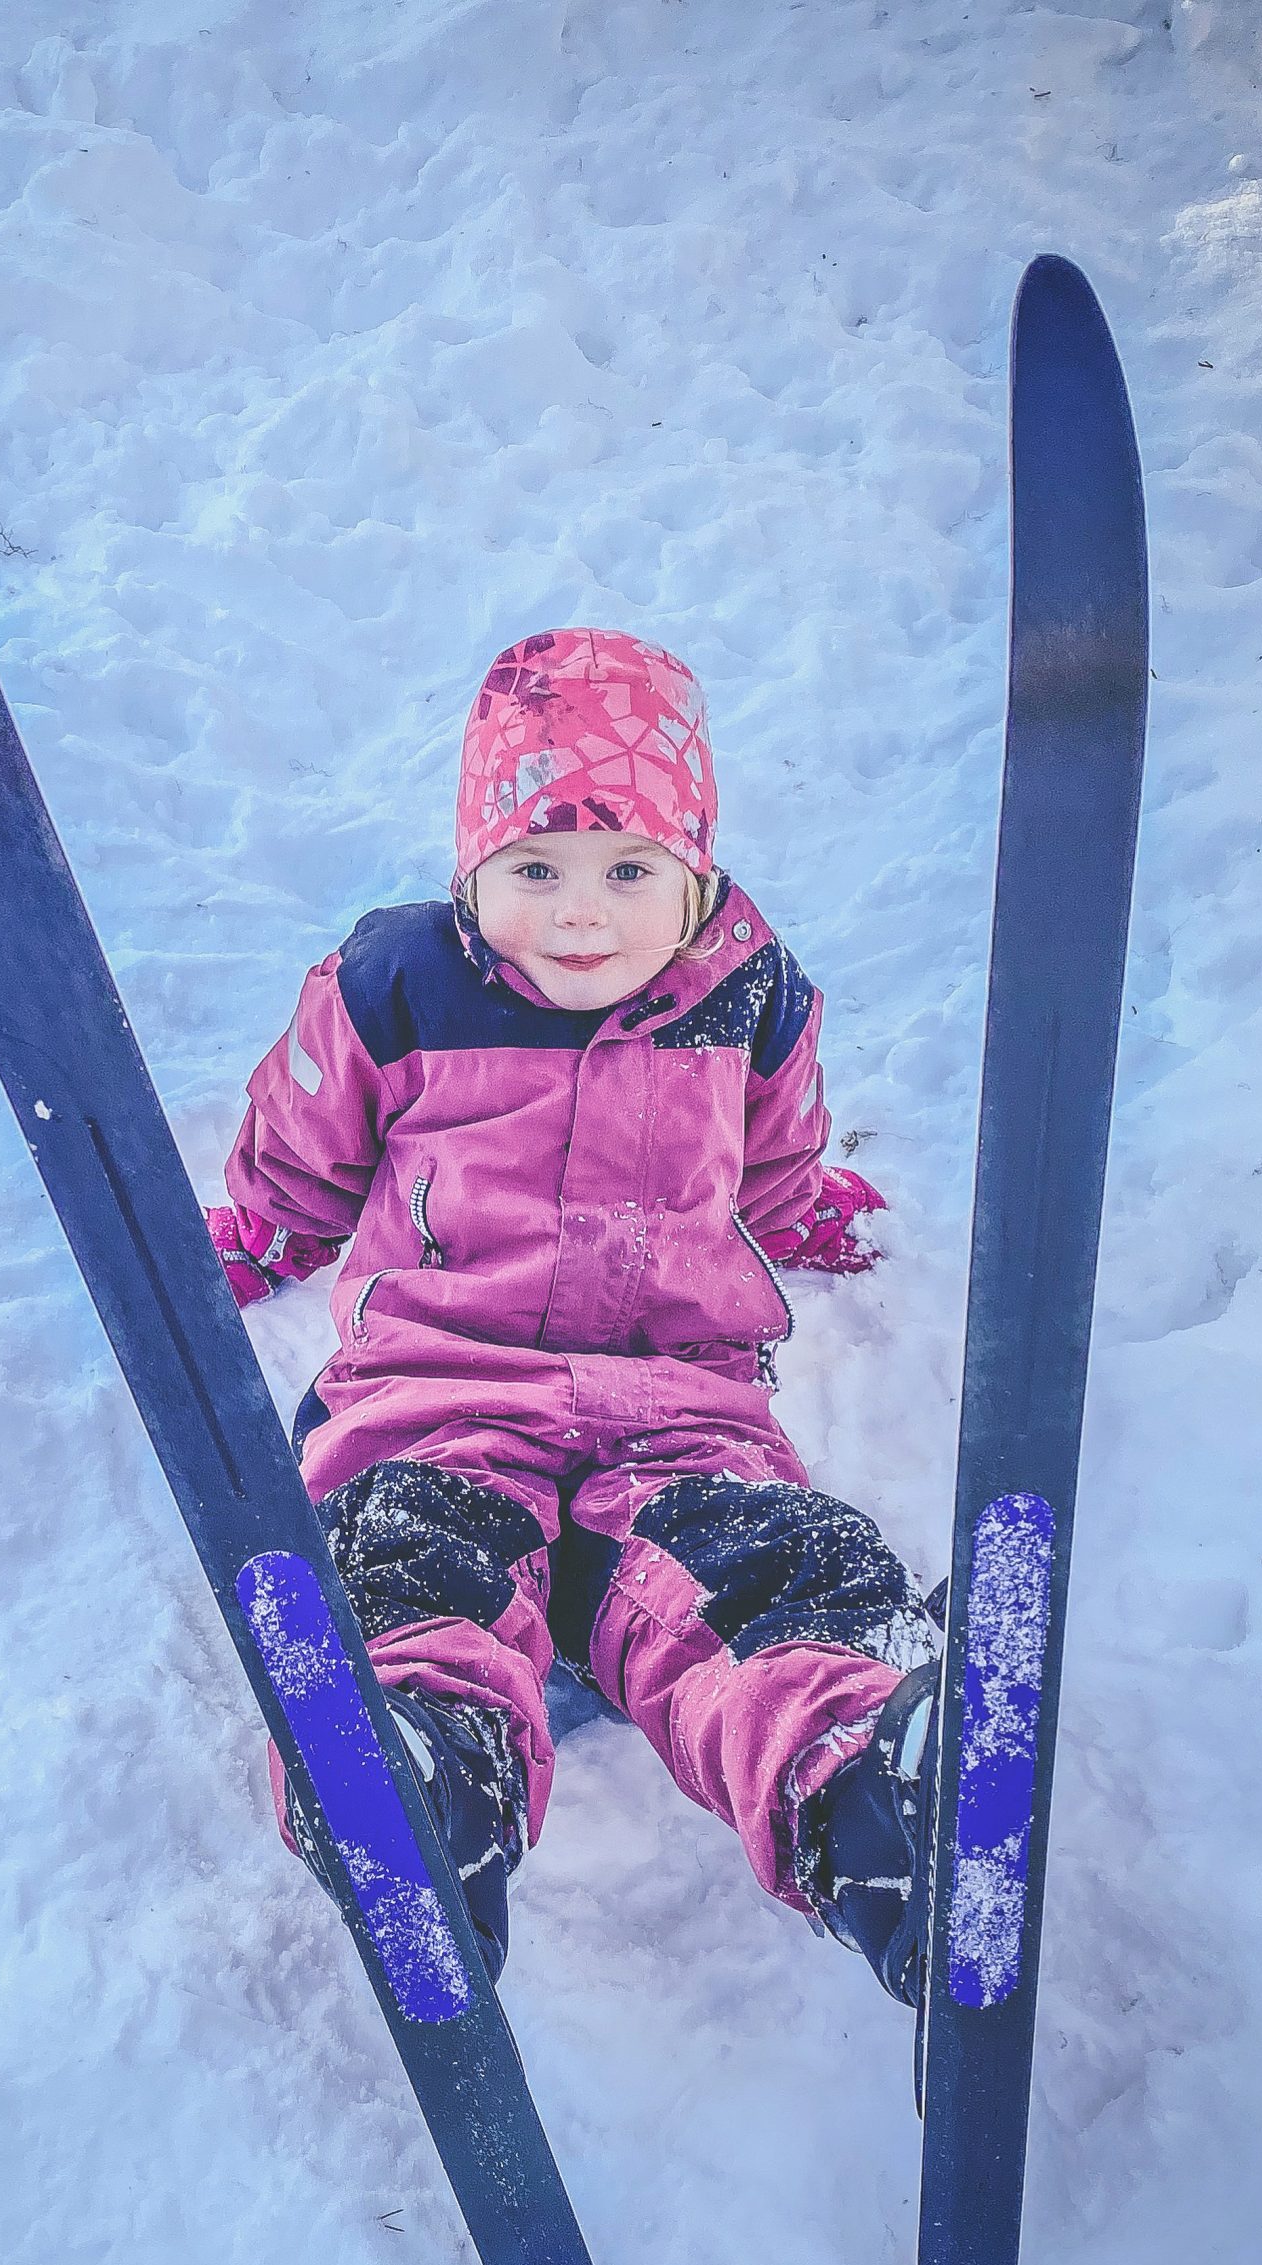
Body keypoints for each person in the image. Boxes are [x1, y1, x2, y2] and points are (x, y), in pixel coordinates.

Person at [204, 627, 940, 2004]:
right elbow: (302, 1150)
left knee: (757, 1570)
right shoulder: (396, 986)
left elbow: (769, 1163)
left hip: (678, 1410)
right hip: (441, 1389)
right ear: (472, 874)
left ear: (696, 876)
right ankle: (419, 1779)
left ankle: (870, 1788)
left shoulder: (751, 1000)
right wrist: (250, 1240)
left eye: (628, 872)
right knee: (412, 1554)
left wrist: (810, 1217)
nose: (580, 912)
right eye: (533, 870)